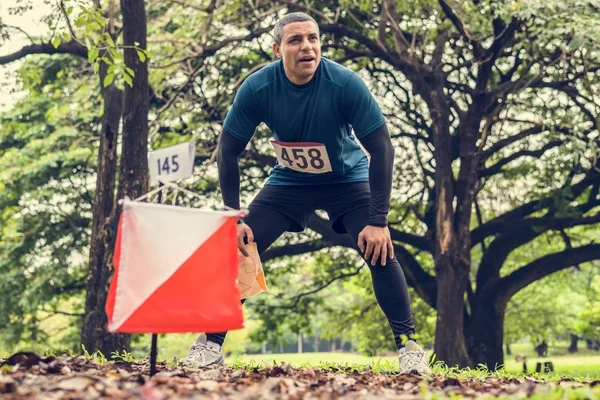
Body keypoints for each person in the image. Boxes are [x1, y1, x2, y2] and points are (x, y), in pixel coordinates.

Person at [180, 12, 430, 375]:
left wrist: (378, 221)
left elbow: (382, 147)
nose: (307, 47)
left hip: (346, 178)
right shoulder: (258, 88)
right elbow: (228, 149)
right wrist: (231, 216)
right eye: (295, 40)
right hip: (290, 181)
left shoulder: (345, 83)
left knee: (379, 249)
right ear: (277, 48)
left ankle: (409, 347)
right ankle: (210, 344)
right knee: (241, 248)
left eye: (313, 38)